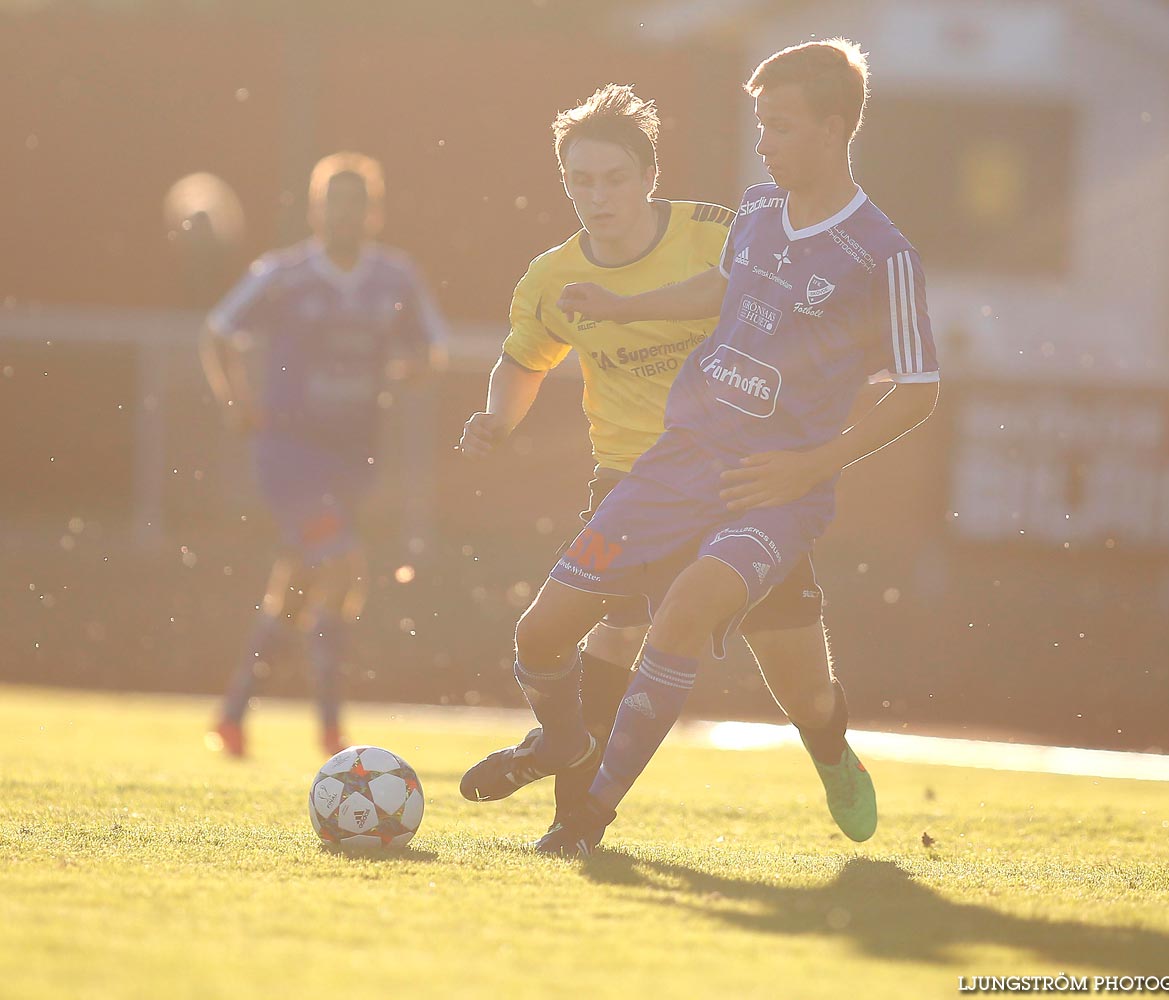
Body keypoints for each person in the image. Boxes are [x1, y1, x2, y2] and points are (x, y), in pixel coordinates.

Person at [458, 80, 882, 844]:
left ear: (650, 176)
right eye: (580, 180)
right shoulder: (550, 278)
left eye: (614, 177)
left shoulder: (715, 235)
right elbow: (523, 363)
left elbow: (794, 310)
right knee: (607, 637)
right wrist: (496, 419)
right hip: (631, 481)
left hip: (740, 478)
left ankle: (827, 749)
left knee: (804, 690)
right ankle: (574, 823)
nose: (598, 195)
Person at [201, 151, 445, 757]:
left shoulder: (396, 278)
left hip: (355, 457)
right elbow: (217, 332)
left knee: (301, 586)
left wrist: (415, 367)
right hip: (290, 455)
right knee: (343, 566)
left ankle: (232, 716)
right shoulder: (284, 275)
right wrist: (235, 400)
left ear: (374, 213)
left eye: (355, 203)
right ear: (315, 210)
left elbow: (432, 348)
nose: (344, 214)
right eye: (333, 203)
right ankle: (331, 728)